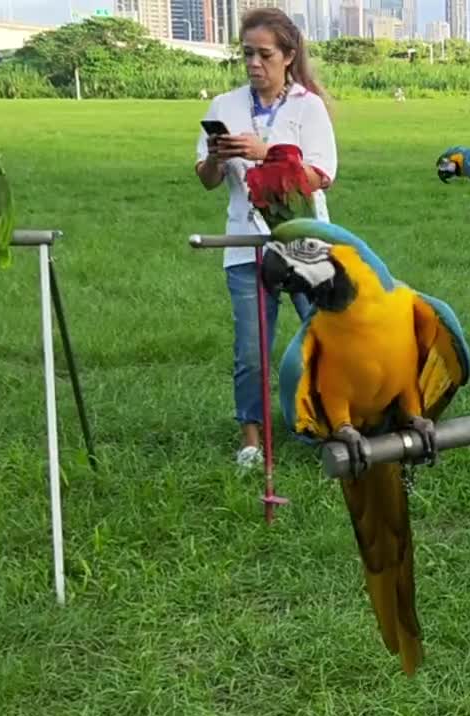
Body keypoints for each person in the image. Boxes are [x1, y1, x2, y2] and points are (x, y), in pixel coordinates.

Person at [194, 7, 338, 470]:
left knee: (322, 338)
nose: (254, 63)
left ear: (289, 55)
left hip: (303, 246)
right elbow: (208, 179)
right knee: (252, 350)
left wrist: (267, 154)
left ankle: (328, 424)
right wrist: (218, 158)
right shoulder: (224, 106)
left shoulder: (307, 106)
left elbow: (321, 176)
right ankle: (251, 441)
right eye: (247, 54)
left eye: (265, 54)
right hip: (244, 246)